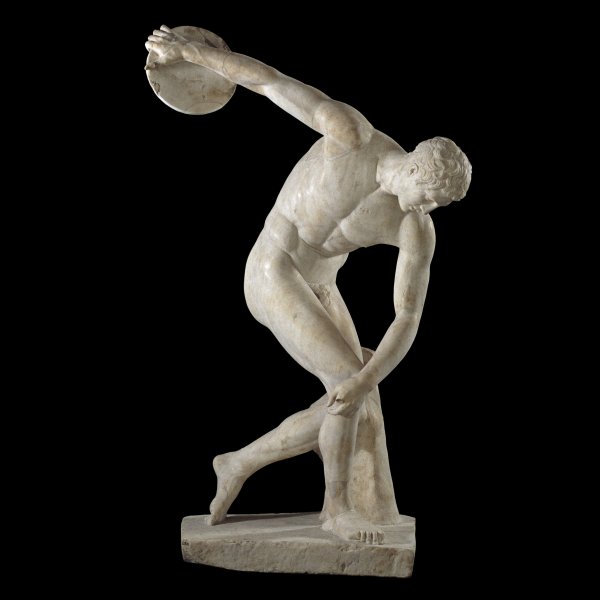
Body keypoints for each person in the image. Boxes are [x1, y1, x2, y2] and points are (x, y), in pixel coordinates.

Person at [146, 26, 472, 545]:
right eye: (429, 196)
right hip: (272, 269)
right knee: (348, 379)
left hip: (320, 285)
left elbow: (407, 316)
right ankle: (335, 510)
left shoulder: (415, 227)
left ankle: (238, 463)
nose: (428, 209)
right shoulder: (351, 136)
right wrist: (190, 53)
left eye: (439, 206)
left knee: (358, 391)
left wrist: (366, 379)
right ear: (414, 167)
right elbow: (269, 82)